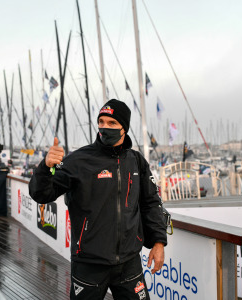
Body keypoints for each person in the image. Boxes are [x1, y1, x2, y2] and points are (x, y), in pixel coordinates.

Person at [29, 99, 167, 300]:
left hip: (129, 264)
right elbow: (41, 194)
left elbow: (151, 203)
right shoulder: (78, 160)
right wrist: (45, 168)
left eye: (111, 123)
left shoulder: (136, 161)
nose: (104, 127)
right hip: (88, 264)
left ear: (124, 128)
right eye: (101, 121)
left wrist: (158, 242)